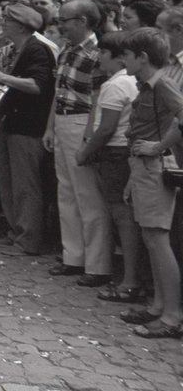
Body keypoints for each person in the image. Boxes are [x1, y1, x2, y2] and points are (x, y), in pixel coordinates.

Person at [73, 31, 144, 303]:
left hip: (114, 153)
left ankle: (130, 280)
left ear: (117, 57)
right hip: (121, 151)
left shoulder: (115, 85)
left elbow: (106, 128)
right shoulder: (130, 81)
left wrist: (85, 152)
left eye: (103, 53)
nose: (99, 57)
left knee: (122, 216)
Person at [45, 0, 111, 286]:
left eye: (65, 21)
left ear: (82, 21)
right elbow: (58, 91)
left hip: (82, 122)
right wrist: (50, 127)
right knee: (67, 193)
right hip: (62, 120)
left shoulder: (98, 53)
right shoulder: (66, 50)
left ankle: (97, 265)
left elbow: (98, 99)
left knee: (88, 196)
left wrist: (88, 135)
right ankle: (73, 256)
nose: (61, 26)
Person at [122, 28, 183, 338]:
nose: (123, 60)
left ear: (142, 57)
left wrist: (159, 147)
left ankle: (172, 315)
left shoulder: (162, 85)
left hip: (154, 167)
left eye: (127, 55)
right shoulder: (149, 85)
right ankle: (160, 306)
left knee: (158, 241)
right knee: (152, 239)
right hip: (144, 166)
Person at [0, 2, 56, 255]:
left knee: (26, 186)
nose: (2, 23)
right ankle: (16, 231)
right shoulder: (18, 48)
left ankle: (28, 239)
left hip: (28, 127)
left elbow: (38, 85)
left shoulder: (37, 50)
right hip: (12, 124)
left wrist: (2, 77)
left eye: (7, 20)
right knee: (10, 183)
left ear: (20, 25)